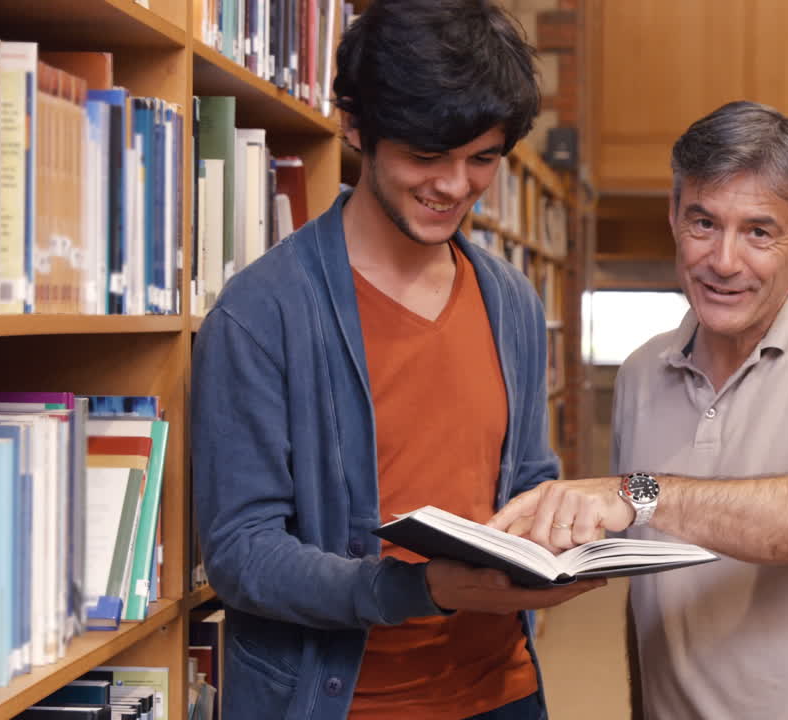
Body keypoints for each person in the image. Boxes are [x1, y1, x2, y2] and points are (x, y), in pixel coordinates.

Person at [190, 2, 603, 719]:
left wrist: (560, 535)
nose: (454, 186)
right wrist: (421, 589)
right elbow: (240, 553)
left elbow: (526, 475)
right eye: (425, 155)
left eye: (482, 158)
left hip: (505, 692)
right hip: (344, 701)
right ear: (355, 127)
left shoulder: (511, 302)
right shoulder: (260, 313)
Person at [490, 101, 788, 719]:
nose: (724, 262)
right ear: (674, 217)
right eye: (704, 223)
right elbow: (653, 591)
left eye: (759, 231)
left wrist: (635, 491)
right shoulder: (643, 370)